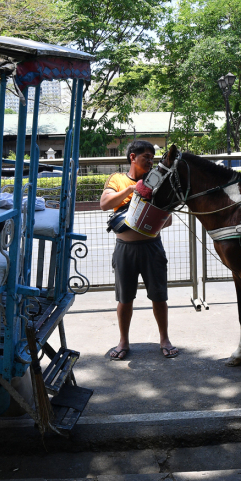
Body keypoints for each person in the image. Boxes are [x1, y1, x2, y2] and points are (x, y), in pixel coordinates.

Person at [99, 140, 178, 360]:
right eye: (146, 157)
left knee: (159, 296)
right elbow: (104, 204)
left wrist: (151, 210)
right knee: (125, 299)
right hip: (125, 249)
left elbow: (168, 220)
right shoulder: (117, 179)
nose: (151, 161)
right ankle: (123, 341)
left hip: (152, 246)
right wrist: (132, 189)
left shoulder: (158, 182)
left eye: (153, 157)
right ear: (132, 157)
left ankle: (164, 339)